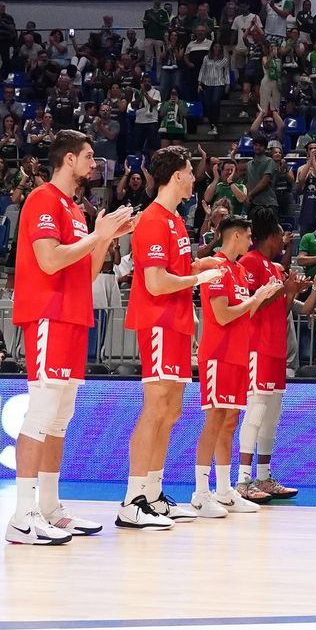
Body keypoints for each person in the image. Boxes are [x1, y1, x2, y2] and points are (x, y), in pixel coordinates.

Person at [11, 130, 137, 545]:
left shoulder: (78, 211)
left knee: (60, 418)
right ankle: (22, 515)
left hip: (73, 316)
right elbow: (48, 261)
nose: (94, 163)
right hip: (48, 313)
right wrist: (97, 237)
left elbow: (85, 269)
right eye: (88, 156)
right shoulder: (43, 199)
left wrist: (104, 238)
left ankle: (49, 507)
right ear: (68, 160)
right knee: (41, 413)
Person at [120, 145, 225, 529]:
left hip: (179, 321)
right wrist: (199, 279)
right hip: (160, 320)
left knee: (172, 411)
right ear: (177, 175)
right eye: (190, 172)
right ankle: (132, 499)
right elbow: (156, 280)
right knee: (156, 407)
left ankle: (152, 493)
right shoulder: (151, 219)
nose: (195, 178)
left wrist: (200, 263)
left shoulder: (176, 220)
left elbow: (174, 268)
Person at [195, 215, 281, 511]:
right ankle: (200, 493)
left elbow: (244, 311)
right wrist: (255, 298)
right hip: (218, 353)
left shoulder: (239, 271)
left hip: (237, 354)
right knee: (215, 420)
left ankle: (223, 489)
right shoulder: (216, 268)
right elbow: (223, 315)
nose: (250, 242)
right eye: (247, 236)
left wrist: (263, 295)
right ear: (234, 237)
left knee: (229, 421)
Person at [236, 213, 310, 502]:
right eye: (281, 236)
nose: (284, 241)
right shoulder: (251, 262)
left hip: (276, 348)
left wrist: (290, 293)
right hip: (257, 347)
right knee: (255, 412)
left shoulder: (273, 268)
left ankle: (263, 477)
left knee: (272, 416)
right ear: (269, 236)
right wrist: (283, 290)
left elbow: (279, 311)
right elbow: (249, 306)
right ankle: (243, 480)